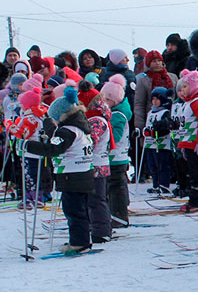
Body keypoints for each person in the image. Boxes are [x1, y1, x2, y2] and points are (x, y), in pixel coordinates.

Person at [23, 87, 94, 253]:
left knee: (73, 211)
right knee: (80, 210)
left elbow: (53, 148)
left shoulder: (67, 131)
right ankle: (82, 240)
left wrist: (27, 145)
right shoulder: (78, 126)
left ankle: (79, 243)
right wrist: (46, 121)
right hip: (83, 175)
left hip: (73, 177)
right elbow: (56, 136)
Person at [172, 70, 198, 213]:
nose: (182, 91)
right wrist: (183, 144)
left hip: (197, 144)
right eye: (181, 87)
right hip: (189, 143)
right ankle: (195, 198)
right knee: (191, 173)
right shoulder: (188, 103)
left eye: (185, 86)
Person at [101, 75, 132, 227]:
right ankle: (116, 213)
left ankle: (119, 215)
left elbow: (116, 136)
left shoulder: (117, 115)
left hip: (116, 157)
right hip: (114, 157)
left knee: (115, 187)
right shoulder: (113, 113)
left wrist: (103, 141)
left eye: (105, 100)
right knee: (115, 185)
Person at [84, 93, 113, 244]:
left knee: (96, 199)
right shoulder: (95, 118)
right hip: (96, 163)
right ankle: (100, 228)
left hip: (96, 164)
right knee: (95, 199)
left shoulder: (96, 120)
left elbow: (90, 141)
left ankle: (101, 231)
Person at [133, 50, 177, 131]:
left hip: (171, 118)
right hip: (152, 119)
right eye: (154, 61)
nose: (157, 63)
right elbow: (139, 104)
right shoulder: (143, 81)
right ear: (148, 63)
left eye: (159, 60)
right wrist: (140, 126)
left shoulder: (172, 77)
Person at [143, 87, 176, 194]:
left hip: (161, 145)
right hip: (150, 144)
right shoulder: (150, 112)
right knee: (152, 165)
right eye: (153, 99)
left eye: (157, 99)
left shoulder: (165, 112)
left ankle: (164, 185)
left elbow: (167, 128)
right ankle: (156, 184)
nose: (155, 102)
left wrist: (158, 131)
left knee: (162, 165)